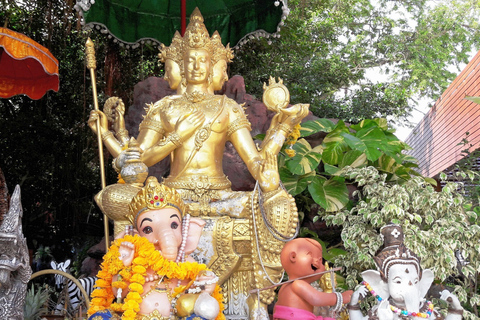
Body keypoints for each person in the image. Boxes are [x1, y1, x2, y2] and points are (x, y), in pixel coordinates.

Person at [89, 8, 309, 319]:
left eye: (202, 59)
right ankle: (138, 292)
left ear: (214, 66)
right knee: (117, 195)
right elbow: (139, 161)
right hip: (174, 197)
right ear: (177, 64)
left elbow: (255, 162)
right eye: (188, 59)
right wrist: (175, 139)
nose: (195, 65)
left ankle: (256, 297)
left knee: (277, 204)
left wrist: (281, 130)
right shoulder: (165, 107)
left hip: (222, 196)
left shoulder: (227, 107)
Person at [87, 177, 224, 320]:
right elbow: (118, 294)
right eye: (147, 229)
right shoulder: (135, 261)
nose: (163, 235)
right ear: (135, 235)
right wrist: (124, 266)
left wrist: (206, 287)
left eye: (174, 225)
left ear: (187, 232)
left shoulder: (186, 262)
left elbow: (197, 294)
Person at [274, 238, 353, 320]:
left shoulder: (283, 287)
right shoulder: (297, 284)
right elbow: (317, 299)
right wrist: (340, 298)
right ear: (293, 257)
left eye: (320, 260)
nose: (317, 262)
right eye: (310, 255)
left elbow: (276, 308)